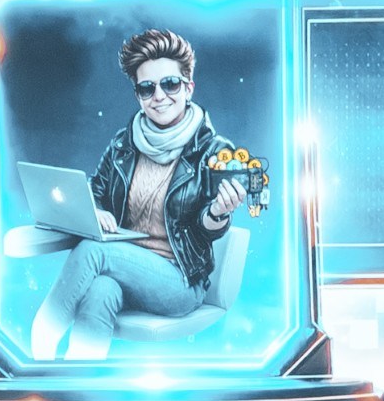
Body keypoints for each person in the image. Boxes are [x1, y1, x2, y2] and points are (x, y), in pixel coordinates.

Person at [31, 27, 255, 360]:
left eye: (170, 84)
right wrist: (95, 210)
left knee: (93, 251)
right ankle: (79, 374)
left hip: (179, 280)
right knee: (100, 290)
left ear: (188, 88)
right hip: (125, 270)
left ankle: (42, 337)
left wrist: (218, 213)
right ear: (138, 95)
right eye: (147, 88)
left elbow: (205, 228)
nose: (159, 96)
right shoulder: (124, 144)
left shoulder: (214, 150)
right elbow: (96, 189)